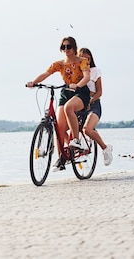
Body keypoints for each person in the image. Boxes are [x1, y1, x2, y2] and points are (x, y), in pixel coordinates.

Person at [26, 36, 90, 171]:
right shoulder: (59, 64)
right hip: (65, 92)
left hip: (80, 91)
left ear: (74, 48)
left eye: (68, 47)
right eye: (63, 47)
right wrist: (34, 82)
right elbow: (45, 74)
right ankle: (62, 158)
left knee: (69, 108)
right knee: (59, 128)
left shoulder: (82, 61)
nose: (66, 49)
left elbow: (87, 77)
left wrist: (77, 85)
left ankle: (76, 140)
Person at [78, 47, 113, 166]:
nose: (87, 61)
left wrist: (90, 101)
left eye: (89, 58)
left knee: (87, 129)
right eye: (84, 59)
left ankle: (105, 148)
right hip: (80, 104)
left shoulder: (95, 71)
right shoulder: (78, 71)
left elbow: (99, 92)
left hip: (94, 105)